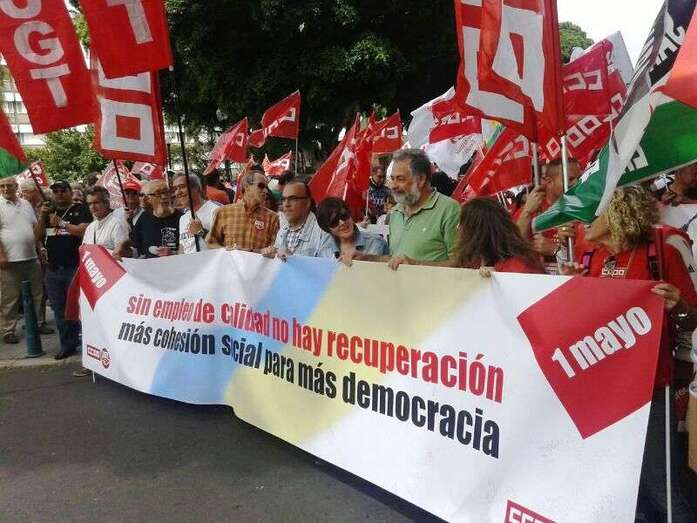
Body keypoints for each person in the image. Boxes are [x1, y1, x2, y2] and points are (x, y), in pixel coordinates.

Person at [562, 186, 696, 522]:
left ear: (616, 215)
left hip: (653, 386)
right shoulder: (592, 257)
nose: (584, 220)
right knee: (626, 484)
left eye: (594, 212)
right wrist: (571, 289)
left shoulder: (662, 252)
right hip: (605, 389)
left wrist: (678, 304)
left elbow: (692, 316)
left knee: (662, 484)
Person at [37, 181, 92, 359]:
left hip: (73, 268)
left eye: (63, 190)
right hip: (53, 270)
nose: (59, 194)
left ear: (69, 192)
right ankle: (67, 344)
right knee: (59, 309)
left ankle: (87, 343)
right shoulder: (48, 211)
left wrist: (62, 223)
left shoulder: (80, 209)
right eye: (56, 191)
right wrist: (41, 216)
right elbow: (37, 236)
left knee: (78, 308)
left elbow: (83, 231)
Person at [385, 149, 461, 269]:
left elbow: (460, 263)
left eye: (400, 179)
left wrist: (415, 265)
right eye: (392, 179)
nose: (393, 185)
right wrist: (365, 258)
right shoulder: (395, 212)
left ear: (420, 180)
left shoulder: (450, 210)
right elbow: (393, 259)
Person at [0, 177, 50, 344]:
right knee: (10, 298)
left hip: (31, 256)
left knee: (37, 294)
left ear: (16, 187)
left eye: (9, 185)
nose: (6, 189)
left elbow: (35, 229)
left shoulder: (26, 204)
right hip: (9, 260)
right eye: (2, 186)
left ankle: (38, 323)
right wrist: (1, 255)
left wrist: (40, 247)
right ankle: (8, 330)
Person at [514, 158, 583, 273]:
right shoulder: (531, 209)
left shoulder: (584, 208)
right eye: (570, 179)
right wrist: (527, 212)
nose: (577, 183)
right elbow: (514, 246)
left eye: (579, 178)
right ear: (549, 182)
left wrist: (555, 249)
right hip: (537, 277)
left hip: (572, 276)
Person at [452, 198, 545, 274]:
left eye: (461, 224)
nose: (458, 228)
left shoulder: (520, 269)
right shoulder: (474, 262)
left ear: (474, 232)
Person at [207, 171, 278, 252]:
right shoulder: (223, 212)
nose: (266, 191)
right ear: (247, 187)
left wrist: (253, 252)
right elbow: (211, 243)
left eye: (267, 187)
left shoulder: (273, 218)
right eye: (261, 186)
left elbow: (275, 251)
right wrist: (227, 251)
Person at [262, 181, 331, 259]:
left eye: (293, 199)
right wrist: (272, 255)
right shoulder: (283, 230)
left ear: (307, 203)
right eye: (283, 199)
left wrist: (294, 259)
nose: (286, 204)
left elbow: (329, 265)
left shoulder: (323, 232)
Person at [120, 180, 181, 258]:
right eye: (157, 194)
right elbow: (135, 247)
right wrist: (124, 251)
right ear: (148, 199)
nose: (164, 197)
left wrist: (173, 254)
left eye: (166, 192)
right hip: (149, 264)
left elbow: (190, 250)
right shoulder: (144, 218)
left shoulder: (182, 218)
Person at [316, 197, 387, 260]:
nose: (342, 223)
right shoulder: (324, 251)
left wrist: (368, 258)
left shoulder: (376, 242)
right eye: (334, 221)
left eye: (344, 216)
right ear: (327, 229)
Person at [172, 174, 220, 254]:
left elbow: (227, 245)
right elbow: (183, 248)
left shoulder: (217, 211)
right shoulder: (183, 218)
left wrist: (201, 232)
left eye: (182, 187)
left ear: (197, 188)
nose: (178, 192)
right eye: (175, 189)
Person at [82, 187, 130, 254]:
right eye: (90, 204)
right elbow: (84, 251)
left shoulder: (118, 224)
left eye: (96, 203)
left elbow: (122, 254)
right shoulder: (90, 227)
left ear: (106, 203)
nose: (92, 207)